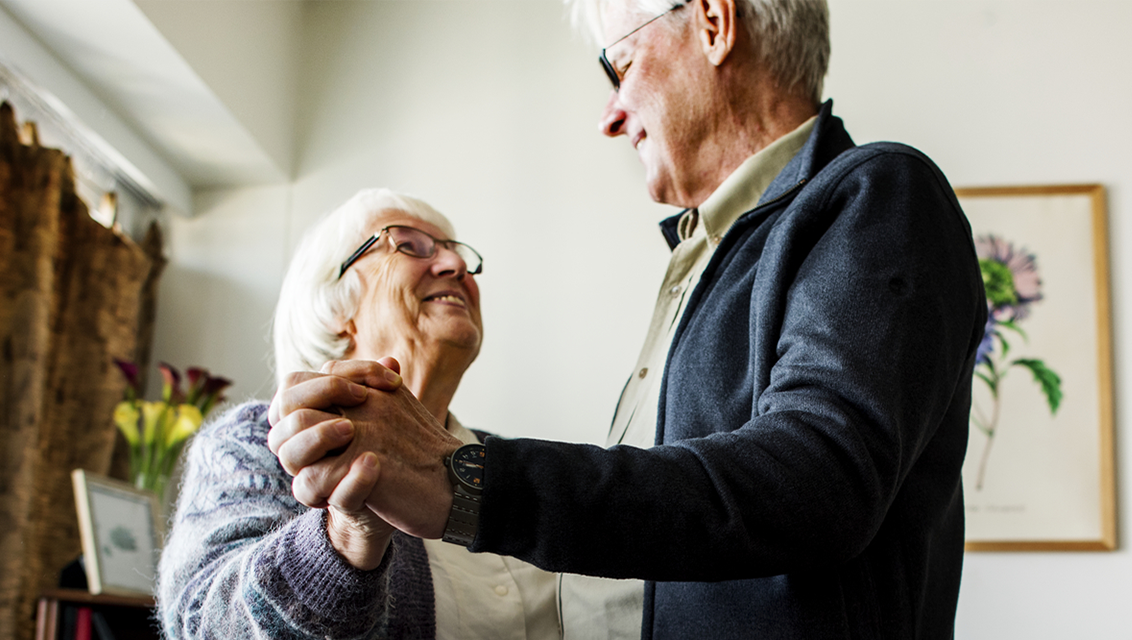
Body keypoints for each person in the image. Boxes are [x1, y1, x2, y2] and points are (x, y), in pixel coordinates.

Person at [269, 0, 986, 637]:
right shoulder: (709, 257)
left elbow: (817, 480)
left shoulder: (879, 194)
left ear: (713, 22)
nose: (611, 118)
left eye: (620, 67)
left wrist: (466, 481)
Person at [155, 189, 562, 640]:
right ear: (335, 307)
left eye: (456, 251)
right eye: (409, 244)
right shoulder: (255, 444)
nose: (456, 266)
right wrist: (345, 538)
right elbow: (204, 625)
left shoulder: (505, 462)